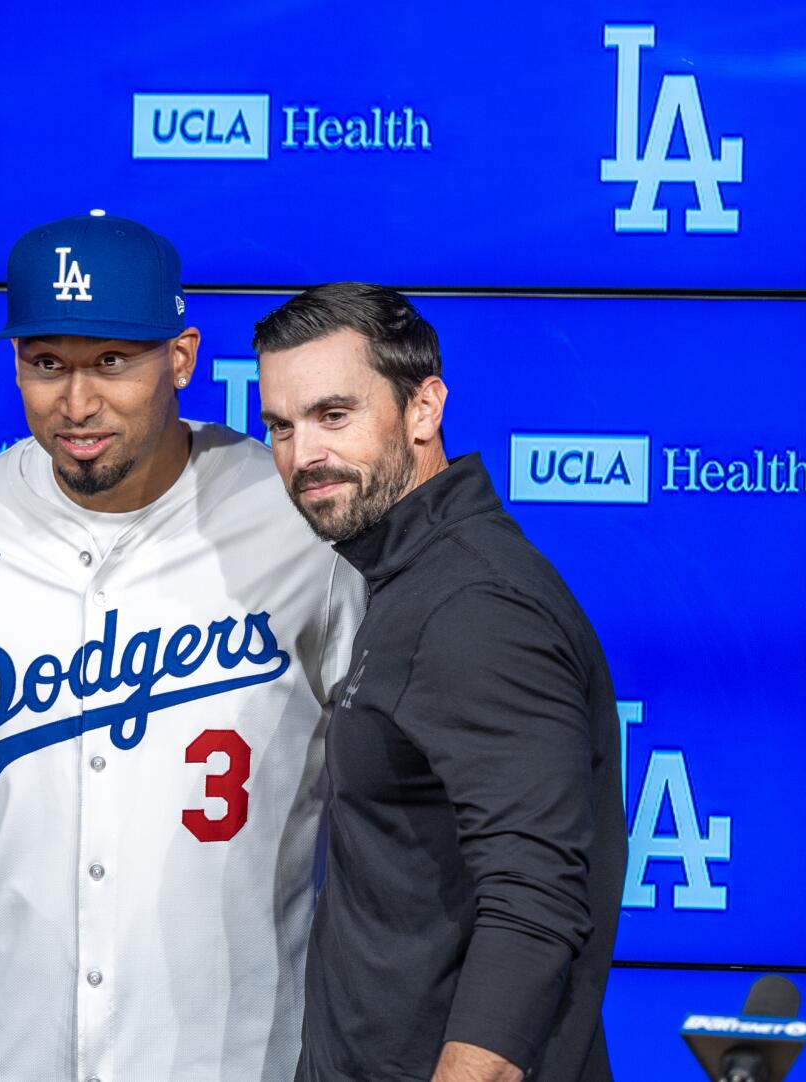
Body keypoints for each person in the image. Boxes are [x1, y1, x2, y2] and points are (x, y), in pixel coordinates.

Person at [0, 212, 365, 1080]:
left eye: (111, 361)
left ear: (180, 357)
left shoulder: (298, 521)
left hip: (234, 1056)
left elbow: (400, 789)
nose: (76, 403)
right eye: (48, 364)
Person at [253, 282, 625, 1082]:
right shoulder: (408, 578)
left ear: (423, 408)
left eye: (333, 415)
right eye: (280, 426)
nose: (302, 455)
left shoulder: (473, 607)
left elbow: (534, 908)